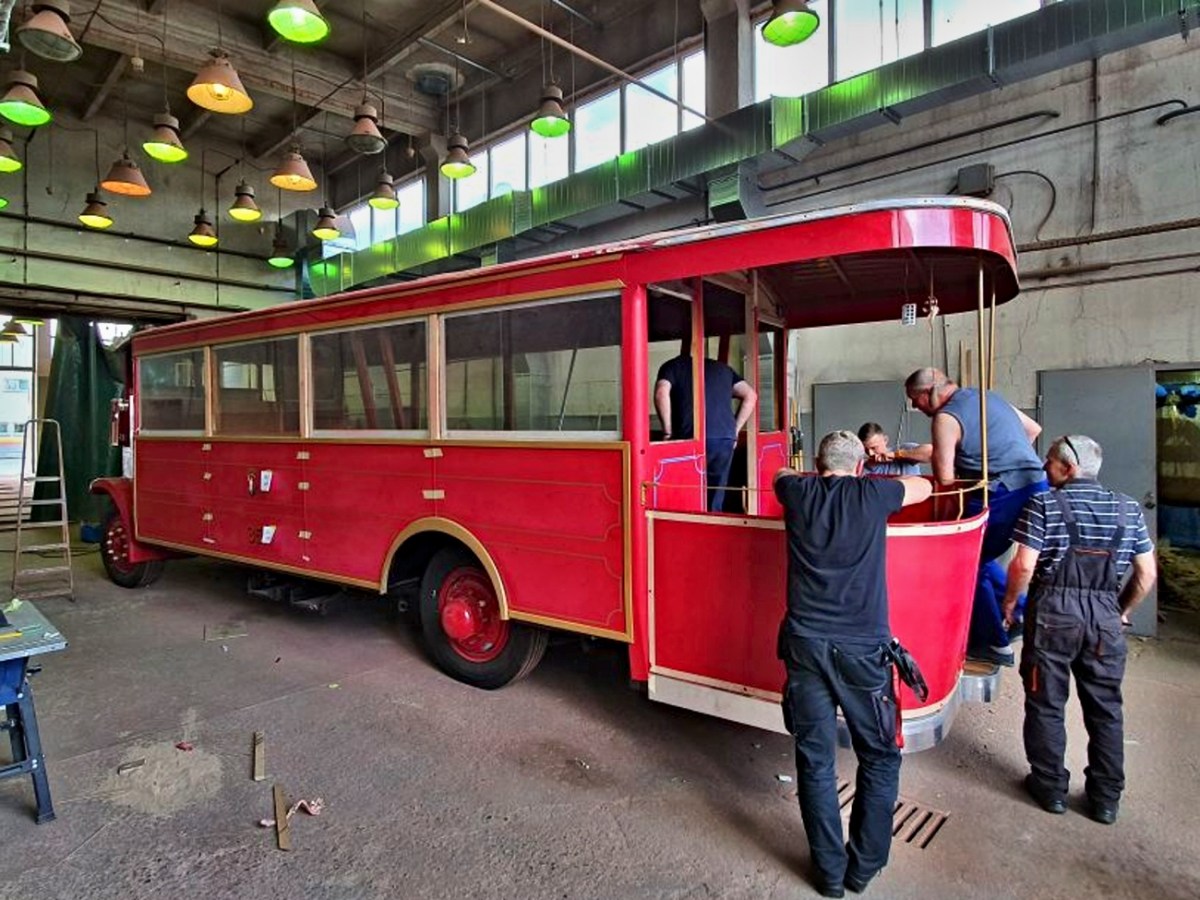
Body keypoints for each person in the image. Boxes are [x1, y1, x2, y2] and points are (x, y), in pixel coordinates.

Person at [775, 431, 932, 898]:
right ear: (861, 465)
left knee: (815, 759)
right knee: (879, 757)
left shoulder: (797, 491)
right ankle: (862, 868)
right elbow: (923, 486)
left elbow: (780, 474)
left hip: (805, 645)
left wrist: (809, 474)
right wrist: (881, 469)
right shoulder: (874, 493)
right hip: (863, 650)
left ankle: (828, 873)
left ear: (819, 464)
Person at [1001, 435, 1155, 825]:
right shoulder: (1128, 509)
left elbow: (1023, 566)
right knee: (1106, 709)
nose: (1044, 467)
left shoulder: (1044, 504)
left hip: (1053, 612)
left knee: (1046, 701)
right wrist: (1121, 611)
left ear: (1068, 469)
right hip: (1104, 614)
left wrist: (1008, 603)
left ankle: (1050, 787)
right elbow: (1146, 573)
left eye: (1049, 462)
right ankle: (1105, 799)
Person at [904, 367, 1047, 666]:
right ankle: (1017, 612)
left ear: (924, 393)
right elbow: (1033, 429)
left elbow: (944, 478)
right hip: (1036, 483)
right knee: (982, 558)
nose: (916, 408)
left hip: (1001, 491)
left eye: (914, 401)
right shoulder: (987, 396)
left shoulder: (946, 417)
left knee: (964, 560)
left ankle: (990, 643)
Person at [655, 352, 757, 511]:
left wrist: (667, 432)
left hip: (690, 436)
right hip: (725, 438)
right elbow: (751, 395)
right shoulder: (723, 369)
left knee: (689, 493)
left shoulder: (672, 366)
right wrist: (735, 430)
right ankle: (714, 525)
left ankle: (689, 529)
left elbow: (661, 393)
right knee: (716, 494)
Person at [857, 422, 930, 477]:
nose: (870, 453)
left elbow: (932, 453)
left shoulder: (904, 448)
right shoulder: (864, 468)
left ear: (885, 440)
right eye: (866, 449)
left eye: (874, 448)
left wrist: (896, 455)